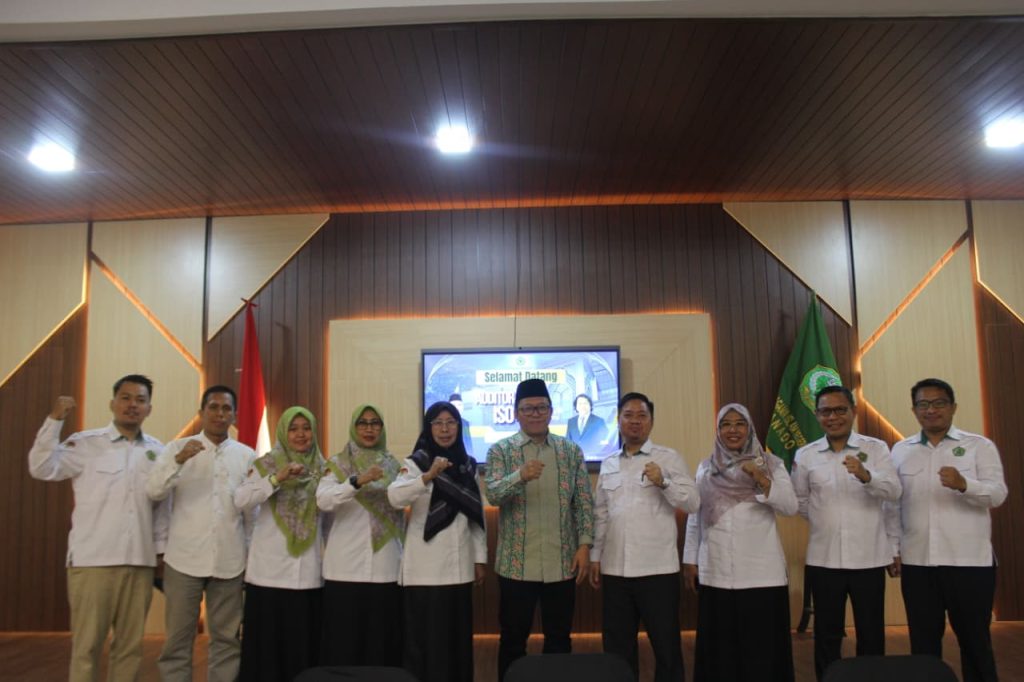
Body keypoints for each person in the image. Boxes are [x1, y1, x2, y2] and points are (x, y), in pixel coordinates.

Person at [27, 374, 167, 682]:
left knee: (130, 648)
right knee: (87, 647)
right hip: (93, 563)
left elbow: (161, 510)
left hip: (139, 563)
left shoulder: (158, 451)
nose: (132, 405)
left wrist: (159, 553)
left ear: (149, 409)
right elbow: (41, 467)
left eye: (140, 400)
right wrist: (54, 421)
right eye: (126, 398)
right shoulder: (87, 444)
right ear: (112, 403)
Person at [887, 378, 1007, 682]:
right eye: (923, 404)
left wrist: (965, 484)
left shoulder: (979, 446)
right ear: (914, 410)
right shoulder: (900, 451)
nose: (931, 410)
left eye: (939, 403)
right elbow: (893, 504)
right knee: (923, 646)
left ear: (953, 407)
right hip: (918, 562)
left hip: (969, 562)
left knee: (975, 643)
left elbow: (997, 494)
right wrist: (893, 547)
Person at [484, 378, 594, 681]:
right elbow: (492, 494)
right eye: (528, 408)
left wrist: (584, 545)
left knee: (560, 639)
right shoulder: (500, 451)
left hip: (562, 563)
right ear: (516, 413)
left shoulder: (570, 451)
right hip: (516, 565)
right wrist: (519, 475)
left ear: (551, 411)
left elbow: (583, 502)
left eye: (541, 407)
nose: (535, 413)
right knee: (512, 640)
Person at [146, 385, 256, 682]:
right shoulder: (176, 449)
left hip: (230, 560)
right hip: (184, 560)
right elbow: (154, 492)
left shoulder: (246, 455)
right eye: (213, 407)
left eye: (226, 408)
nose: (220, 414)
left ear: (234, 415)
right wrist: (179, 461)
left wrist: (250, 556)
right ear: (202, 412)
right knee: (177, 640)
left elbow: (252, 514)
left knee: (227, 639)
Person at [792, 385, 901, 681]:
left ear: (853, 411)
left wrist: (867, 476)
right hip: (824, 559)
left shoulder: (875, 448)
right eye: (825, 411)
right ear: (817, 415)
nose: (833, 417)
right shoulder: (806, 455)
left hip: (869, 558)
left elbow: (894, 492)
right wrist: (824, 519)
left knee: (871, 633)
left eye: (840, 410)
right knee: (827, 635)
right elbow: (800, 500)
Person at [589, 392, 699, 682]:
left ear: (651, 421)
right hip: (616, 570)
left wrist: (664, 482)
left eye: (642, 416)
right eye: (628, 415)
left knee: (666, 647)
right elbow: (601, 513)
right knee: (617, 650)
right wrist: (595, 556)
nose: (635, 422)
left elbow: (693, 503)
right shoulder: (609, 463)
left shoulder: (669, 458)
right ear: (618, 420)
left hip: (657, 570)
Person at [683, 402, 797, 682]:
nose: (732, 430)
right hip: (717, 571)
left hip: (761, 575)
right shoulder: (706, 468)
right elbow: (696, 517)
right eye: (725, 424)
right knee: (721, 652)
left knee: (761, 652)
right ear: (718, 430)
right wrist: (690, 560)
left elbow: (790, 506)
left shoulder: (771, 465)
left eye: (739, 424)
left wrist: (761, 479)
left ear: (750, 428)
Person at [388, 401, 487, 682]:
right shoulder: (414, 463)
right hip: (425, 569)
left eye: (451, 422)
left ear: (459, 427)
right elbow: (395, 497)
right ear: (428, 428)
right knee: (425, 643)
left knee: (456, 642)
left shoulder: (468, 465)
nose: (445, 429)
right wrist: (428, 476)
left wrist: (479, 558)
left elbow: (475, 513)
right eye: (438, 423)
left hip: (459, 567)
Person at [234, 406, 325, 681]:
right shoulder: (266, 465)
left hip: (308, 573)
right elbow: (241, 499)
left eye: (306, 428)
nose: (300, 434)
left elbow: (331, 518)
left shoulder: (323, 468)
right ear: (283, 432)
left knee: (302, 647)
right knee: (268, 651)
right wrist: (277, 478)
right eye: (293, 429)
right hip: (269, 575)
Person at [316, 404, 405, 667]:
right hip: (344, 567)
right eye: (363, 423)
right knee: (344, 642)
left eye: (375, 423)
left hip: (385, 564)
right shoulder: (338, 464)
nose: (369, 429)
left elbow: (401, 502)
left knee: (381, 641)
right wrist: (356, 481)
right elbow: (323, 500)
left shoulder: (392, 465)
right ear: (354, 427)